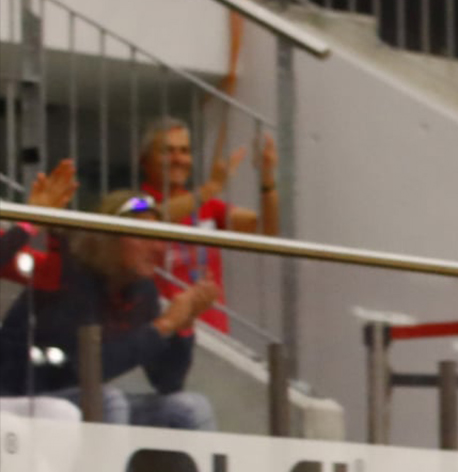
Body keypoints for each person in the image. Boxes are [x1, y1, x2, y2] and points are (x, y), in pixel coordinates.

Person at [0, 164, 219, 429]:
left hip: (78, 402)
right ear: (107, 239)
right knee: (108, 402)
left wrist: (183, 328)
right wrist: (163, 327)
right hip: (23, 399)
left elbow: (167, 381)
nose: (158, 247)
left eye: (162, 236)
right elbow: (85, 369)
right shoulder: (67, 273)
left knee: (189, 408)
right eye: (145, 235)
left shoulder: (143, 289)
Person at [138, 117, 281, 336]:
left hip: (213, 334)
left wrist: (268, 180)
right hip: (161, 331)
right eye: (168, 150)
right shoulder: (134, 201)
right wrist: (211, 187)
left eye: (184, 151)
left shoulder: (207, 205)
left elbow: (266, 230)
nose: (178, 158)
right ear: (144, 160)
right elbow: (153, 216)